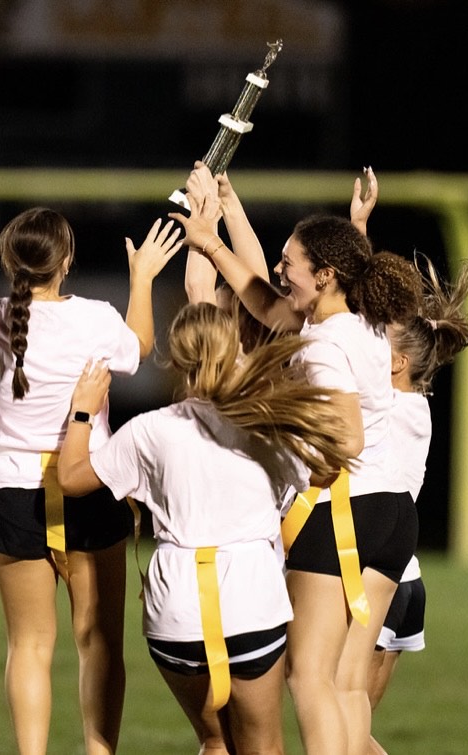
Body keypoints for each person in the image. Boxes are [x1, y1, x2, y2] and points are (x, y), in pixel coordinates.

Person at [170, 162, 423, 755]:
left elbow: (348, 439)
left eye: (291, 263)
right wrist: (220, 222)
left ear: (327, 274)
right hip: (391, 515)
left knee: (307, 677)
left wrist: (300, 447)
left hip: (345, 511)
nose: (281, 272)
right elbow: (264, 302)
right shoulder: (358, 320)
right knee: (341, 684)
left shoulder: (326, 342)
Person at [0, 204, 180, 755]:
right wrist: (143, 278)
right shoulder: (97, 317)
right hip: (88, 483)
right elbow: (142, 348)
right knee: (98, 642)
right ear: (67, 260)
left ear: (9, 260)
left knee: (29, 645)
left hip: (14, 490)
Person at [57, 301, 352, 754]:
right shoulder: (264, 423)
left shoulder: (149, 430)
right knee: (262, 748)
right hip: (251, 601)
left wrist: (83, 410)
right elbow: (328, 470)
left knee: (216, 743)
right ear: (235, 348)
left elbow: (71, 478)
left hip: (176, 608)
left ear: (176, 360)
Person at [368, 253, 468, 755]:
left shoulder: (384, 407)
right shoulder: (414, 405)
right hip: (404, 578)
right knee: (347, 728)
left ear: (396, 362)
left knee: (338, 728)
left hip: (376, 579)